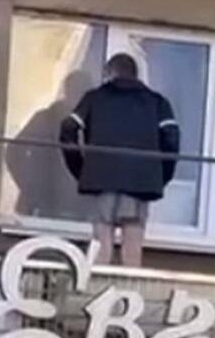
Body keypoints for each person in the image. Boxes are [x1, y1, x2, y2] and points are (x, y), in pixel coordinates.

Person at [59, 54, 180, 266]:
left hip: (101, 180)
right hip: (141, 183)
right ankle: (129, 287)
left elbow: (68, 130)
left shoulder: (94, 98)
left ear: (109, 73)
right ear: (135, 74)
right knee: (132, 251)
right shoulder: (157, 102)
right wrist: (161, 176)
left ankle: (94, 286)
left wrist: (82, 169)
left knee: (100, 249)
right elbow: (171, 139)